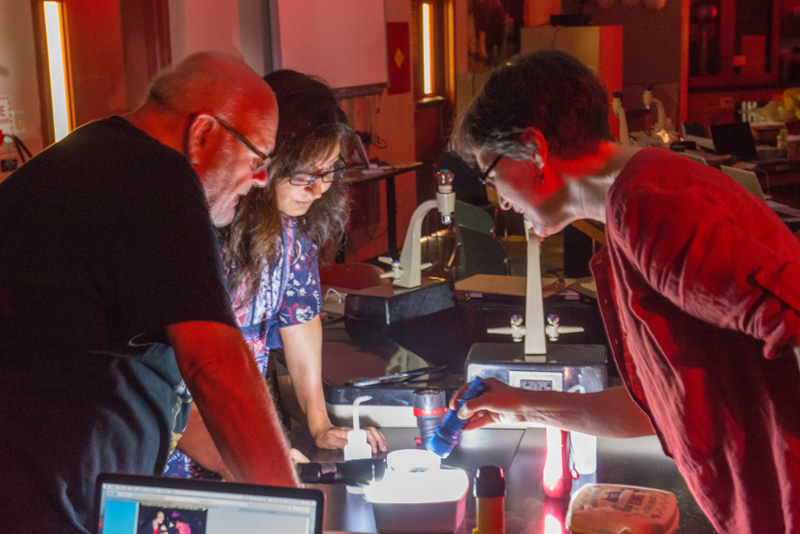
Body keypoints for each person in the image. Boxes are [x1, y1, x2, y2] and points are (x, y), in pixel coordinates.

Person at [449, 49, 800, 534]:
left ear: (534, 150)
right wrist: (517, 404)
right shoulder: (640, 196)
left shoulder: (648, 207)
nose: (501, 202)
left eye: (491, 176)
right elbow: (656, 410)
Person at [0, 52, 299, 534]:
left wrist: (258, 464)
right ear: (203, 133)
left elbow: (134, 378)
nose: (261, 179)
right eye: (257, 157)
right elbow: (215, 365)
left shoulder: (94, 157)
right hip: (35, 504)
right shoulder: (158, 176)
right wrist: (290, 516)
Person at [164, 70, 386, 479]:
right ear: (265, 159)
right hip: (180, 443)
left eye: (329, 171)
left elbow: (301, 324)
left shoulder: (292, 232)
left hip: (236, 437)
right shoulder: (201, 229)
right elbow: (184, 379)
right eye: (304, 175)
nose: (318, 190)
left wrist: (319, 423)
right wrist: (254, 458)